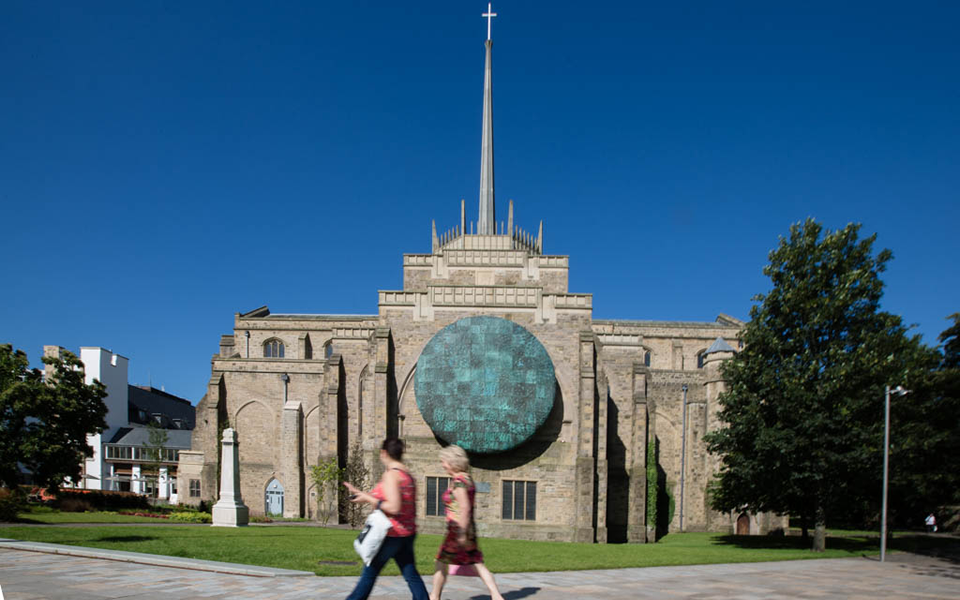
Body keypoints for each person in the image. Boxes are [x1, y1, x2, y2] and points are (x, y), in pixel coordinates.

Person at [342, 438, 428, 600]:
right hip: (407, 534)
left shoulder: (391, 475)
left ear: (384, 453)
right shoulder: (407, 475)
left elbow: (394, 507)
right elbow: (382, 496)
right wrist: (362, 494)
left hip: (391, 534)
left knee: (369, 574)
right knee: (411, 575)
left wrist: (369, 500)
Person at [430, 445, 505, 600]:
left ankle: (434, 596)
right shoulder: (467, 478)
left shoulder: (458, 482)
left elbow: (464, 507)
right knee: (475, 561)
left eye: (444, 461)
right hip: (468, 528)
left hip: (457, 529)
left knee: (441, 561)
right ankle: (496, 595)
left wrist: (461, 533)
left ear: (452, 462)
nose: (442, 465)